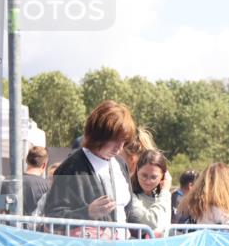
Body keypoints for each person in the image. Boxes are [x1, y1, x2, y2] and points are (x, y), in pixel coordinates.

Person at [42, 101, 139, 234]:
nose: (119, 147)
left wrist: (145, 233)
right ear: (98, 134)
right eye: (114, 140)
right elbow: (53, 217)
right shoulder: (71, 167)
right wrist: (88, 212)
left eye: (123, 141)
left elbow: (128, 210)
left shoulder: (120, 164)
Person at [130, 149, 172, 236]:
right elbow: (151, 221)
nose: (148, 181)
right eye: (144, 175)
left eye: (154, 177)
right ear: (137, 170)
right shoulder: (130, 195)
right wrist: (164, 192)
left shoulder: (163, 196)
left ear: (163, 176)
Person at [22, 146, 50, 216]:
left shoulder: (10, 182)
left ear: (26, 160)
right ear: (44, 165)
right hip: (35, 226)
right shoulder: (47, 186)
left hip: (8, 226)